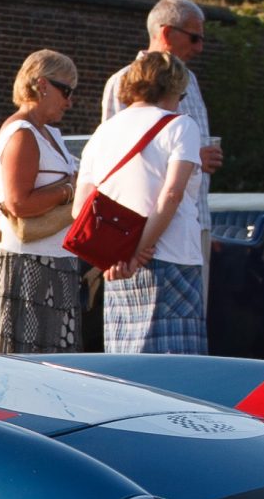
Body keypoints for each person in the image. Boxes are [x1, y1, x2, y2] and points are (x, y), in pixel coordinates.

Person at [80, 51, 206, 353]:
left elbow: (80, 206)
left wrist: (116, 257)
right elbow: (172, 194)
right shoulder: (181, 126)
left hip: (116, 264)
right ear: (171, 88)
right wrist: (138, 252)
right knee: (176, 368)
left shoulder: (103, 132)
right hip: (173, 256)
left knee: (124, 364)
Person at [0, 50, 85, 354]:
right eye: (67, 91)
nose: (70, 102)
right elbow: (18, 203)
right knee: (24, 359)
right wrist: (69, 191)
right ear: (42, 85)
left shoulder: (49, 134)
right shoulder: (22, 133)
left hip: (53, 259)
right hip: (27, 263)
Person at [99, 0, 222, 281]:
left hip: (193, 221)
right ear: (166, 33)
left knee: (192, 308)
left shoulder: (190, 80)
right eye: (194, 38)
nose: (199, 48)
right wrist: (193, 158)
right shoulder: (123, 81)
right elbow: (115, 158)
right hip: (143, 228)